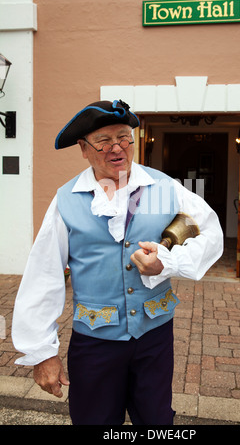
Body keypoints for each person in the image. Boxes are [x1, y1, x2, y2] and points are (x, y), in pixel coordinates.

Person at [12, 99, 223, 425]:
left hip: (154, 337)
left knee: (156, 423)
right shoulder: (66, 200)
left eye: (125, 138)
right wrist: (43, 353)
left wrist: (167, 262)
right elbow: (44, 274)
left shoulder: (165, 187)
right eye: (104, 141)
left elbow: (209, 234)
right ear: (83, 149)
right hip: (95, 343)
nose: (118, 148)